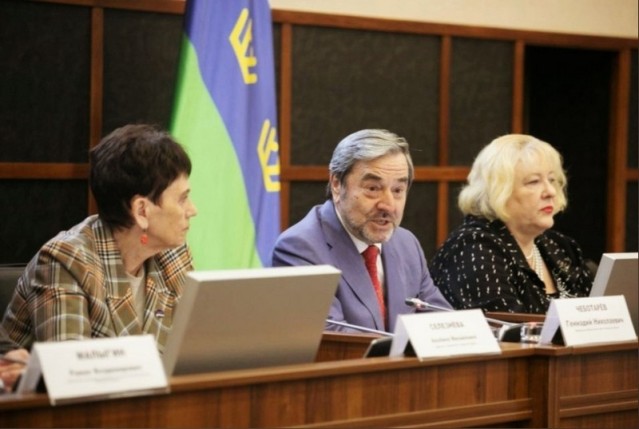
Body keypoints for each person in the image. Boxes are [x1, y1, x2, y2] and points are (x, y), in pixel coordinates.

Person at [0, 124, 198, 392]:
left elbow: (196, 348)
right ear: (142, 210)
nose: (192, 210)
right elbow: (72, 377)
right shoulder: (66, 260)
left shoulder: (172, 254)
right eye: (182, 199)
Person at [272, 129, 451, 334]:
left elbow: (442, 322)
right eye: (373, 188)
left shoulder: (406, 244)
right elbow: (333, 339)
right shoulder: (299, 249)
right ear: (337, 184)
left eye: (397, 190)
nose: (388, 205)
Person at [430, 134, 593, 314]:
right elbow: (507, 327)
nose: (550, 191)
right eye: (534, 182)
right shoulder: (473, 248)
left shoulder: (560, 246)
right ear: (498, 191)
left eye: (552, 180)